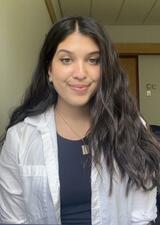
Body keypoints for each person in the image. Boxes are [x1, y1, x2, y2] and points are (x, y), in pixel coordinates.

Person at [0, 16, 160, 225]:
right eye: (66, 60)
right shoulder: (20, 138)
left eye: (93, 60)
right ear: (49, 70)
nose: (80, 73)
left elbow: (142, 216)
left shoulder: (131, 126)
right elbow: (13, 220)